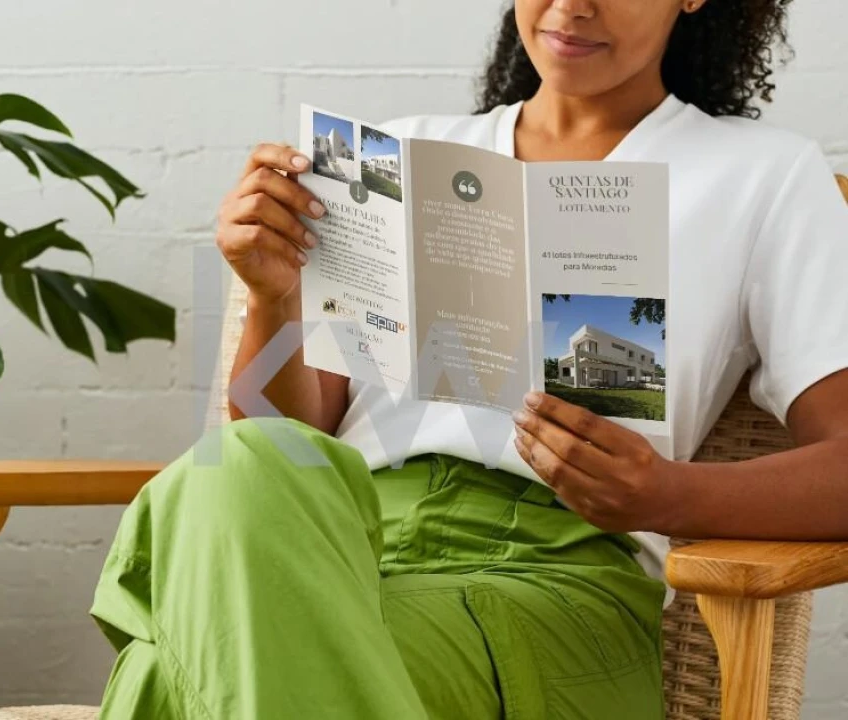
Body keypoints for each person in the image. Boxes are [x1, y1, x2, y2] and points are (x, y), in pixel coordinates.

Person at [90, 1, 848, 718]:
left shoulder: (764, 176)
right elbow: (291, 430)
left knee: (170, 674)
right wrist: (271, 298)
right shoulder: (398, 153)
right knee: (250, 457)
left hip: (552, 577)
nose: (569, 6)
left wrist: (664, 495)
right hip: (342, 541)